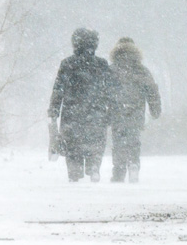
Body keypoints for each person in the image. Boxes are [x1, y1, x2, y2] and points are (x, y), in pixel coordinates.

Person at [48, 27, 117, 182]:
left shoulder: (67, 64)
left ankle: (74, 171)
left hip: (72, 113)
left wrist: (54, 110)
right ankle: (94, 166)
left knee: (72, 145)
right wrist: (111, 111)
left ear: (75, 43)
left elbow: (58, 89)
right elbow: (110, 91)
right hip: (96, 113)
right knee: (95, 143)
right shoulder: (101, 64)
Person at [108, 37, 162, 183]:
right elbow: (152, 90)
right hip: (136, 110)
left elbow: (103, 90)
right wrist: (155, 108)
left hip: (117, 110)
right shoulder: (142, 70)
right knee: (133, 140)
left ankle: (118, 171)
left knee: (118, 141)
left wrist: (103, 110)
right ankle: (134, 164)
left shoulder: (112, 69)